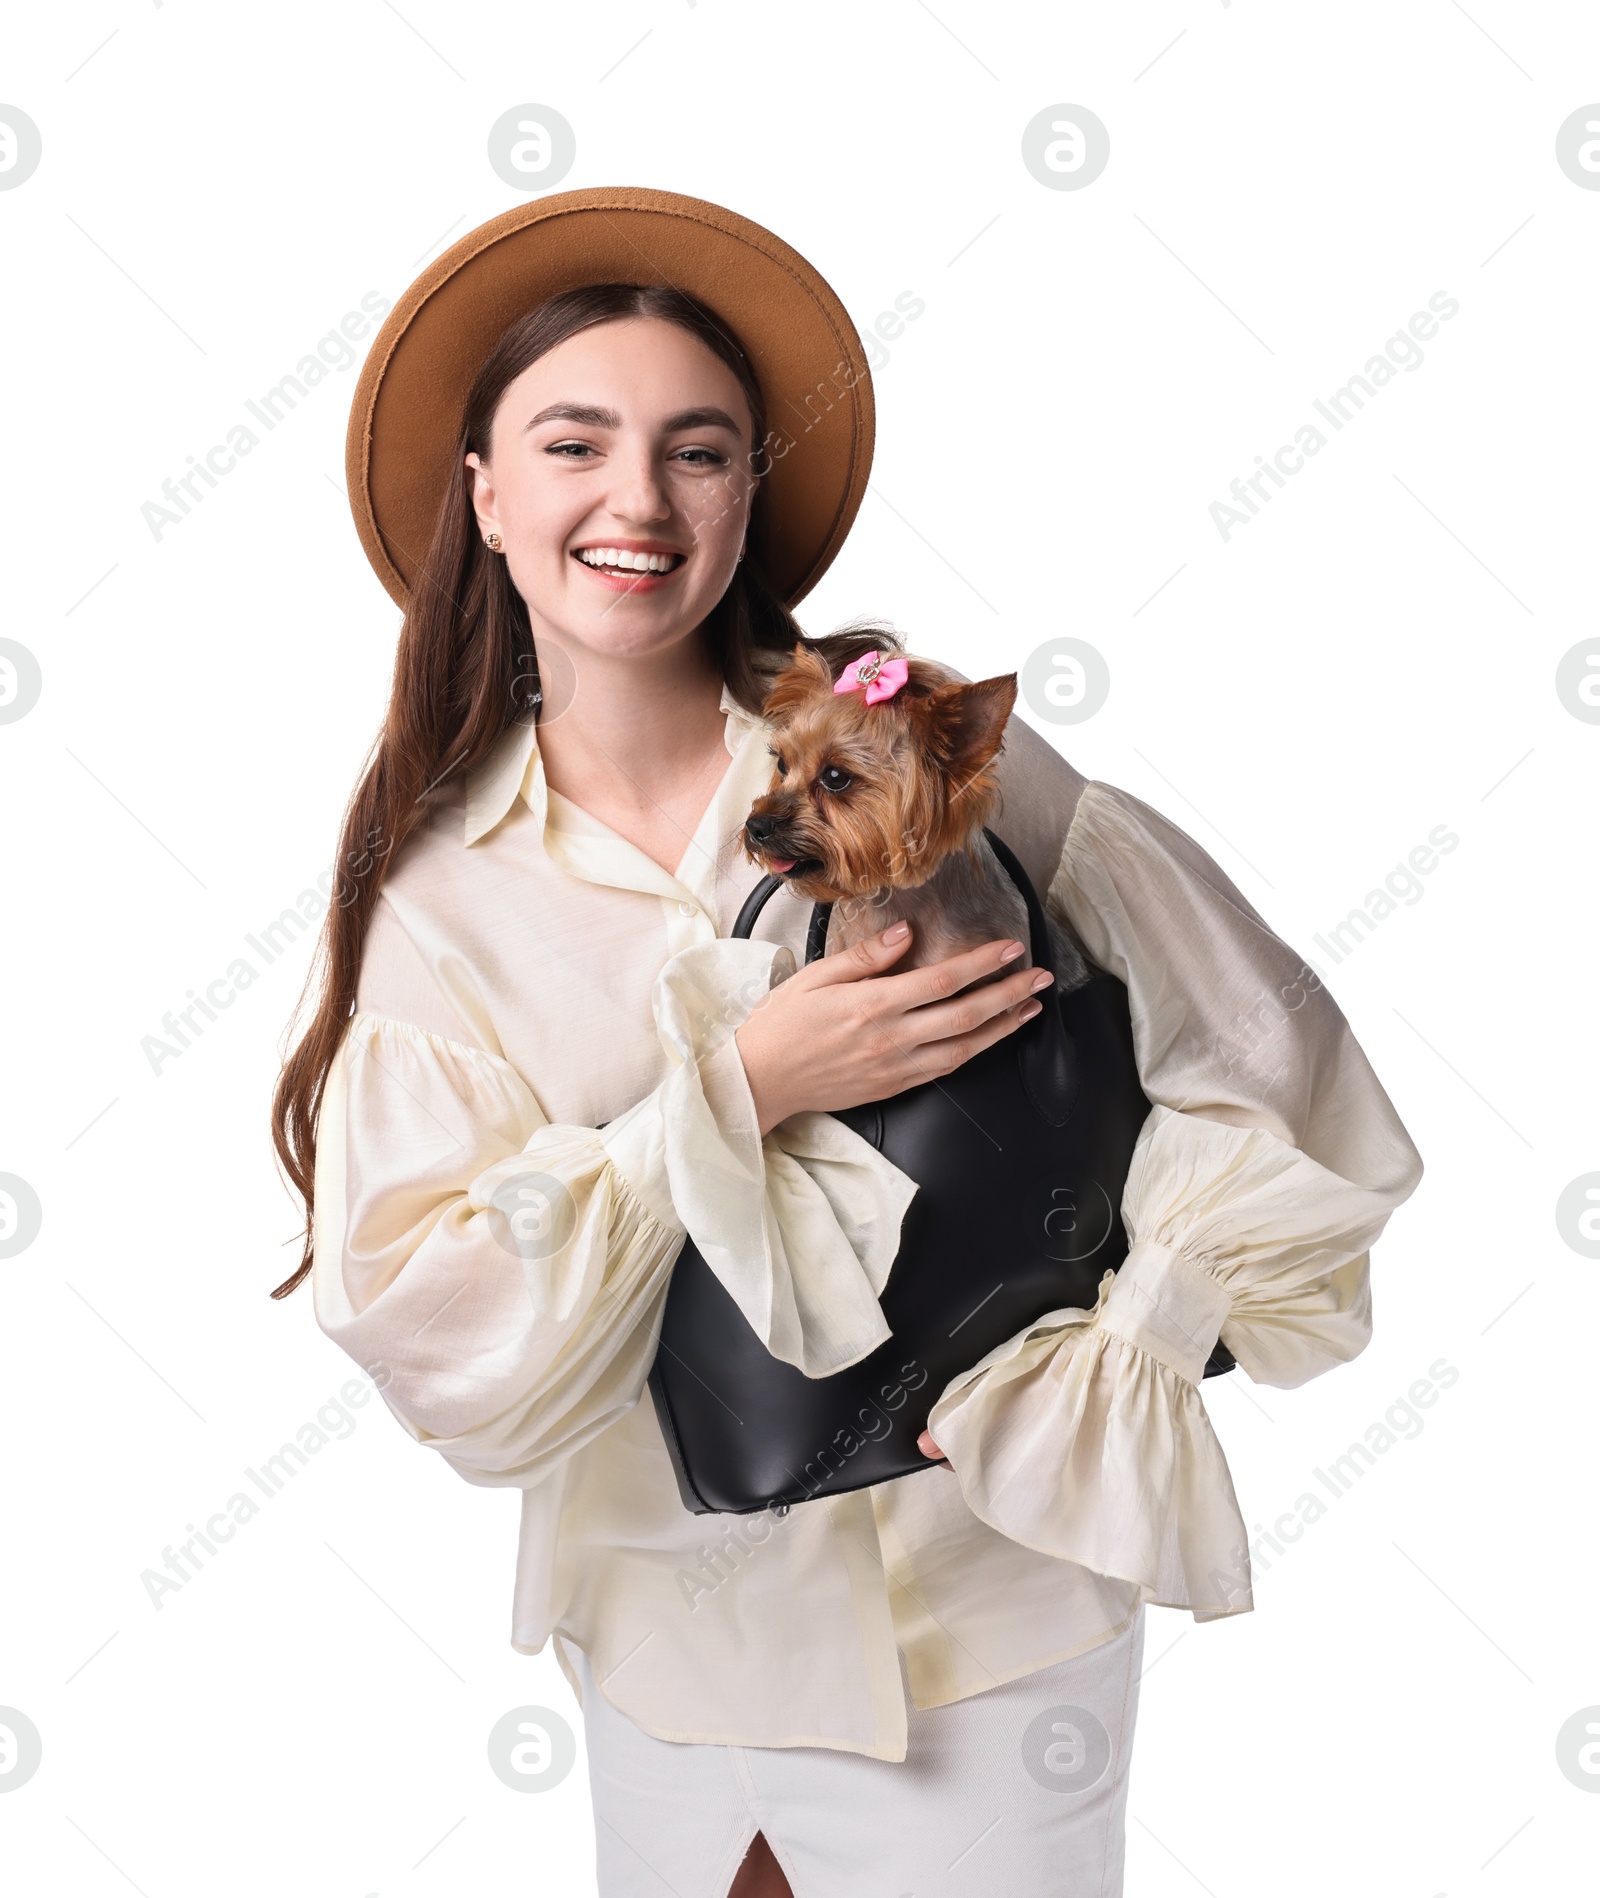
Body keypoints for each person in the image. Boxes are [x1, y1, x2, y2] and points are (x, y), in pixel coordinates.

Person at [271, 189, 1424, 1898]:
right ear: (486, 491)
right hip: (681, 1640)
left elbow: (1274, 1064)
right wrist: (737, 1093)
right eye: (574, 441)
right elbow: (433, 1327)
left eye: (701, 449)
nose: (638, 499)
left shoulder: (933, 760)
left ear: (755, 492)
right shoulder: (440, 901)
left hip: (998, 1609)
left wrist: (1132, 1340)